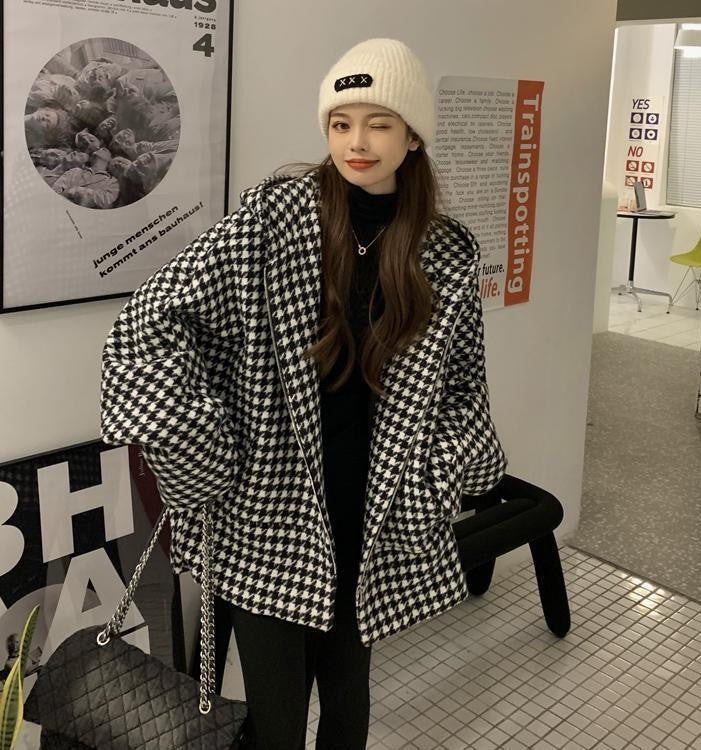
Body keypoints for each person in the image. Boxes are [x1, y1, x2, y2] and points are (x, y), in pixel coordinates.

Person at [99, 37, 508, 749]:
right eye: (340, 123)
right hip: (269, 516)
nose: (356, 142)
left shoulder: (444, 250)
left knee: (349, 708)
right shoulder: (275, 220)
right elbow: (145, 323)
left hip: (374, 518)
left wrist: (439, 473)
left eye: (379, 124)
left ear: (413, 137)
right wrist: (204, 450)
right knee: (278, 722)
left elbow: (463, 388)